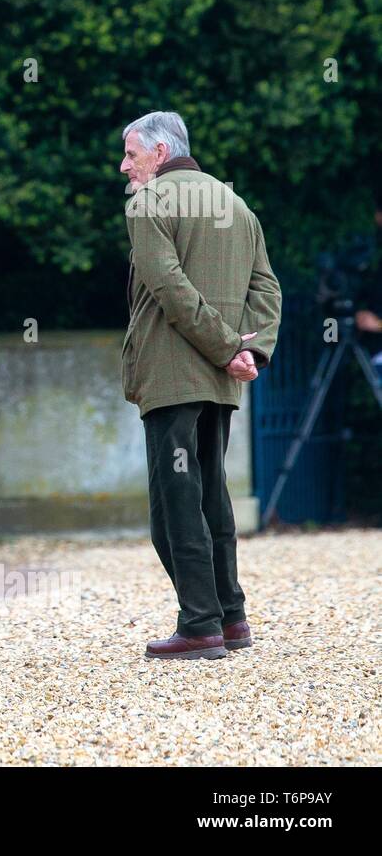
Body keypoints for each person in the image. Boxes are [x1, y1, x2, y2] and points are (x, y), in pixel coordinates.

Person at [119, 111, 282, 660]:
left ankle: (200, 624)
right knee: (211, 490)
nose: (124, 167)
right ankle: (231, 618)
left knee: (175, 505)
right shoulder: (236, 205)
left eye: (131, 155)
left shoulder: (148, 203)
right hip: (221, 378)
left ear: (160, 155)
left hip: (173, 373)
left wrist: (224, 346)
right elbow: (268, 288)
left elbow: (169, 286)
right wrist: (247, 351)